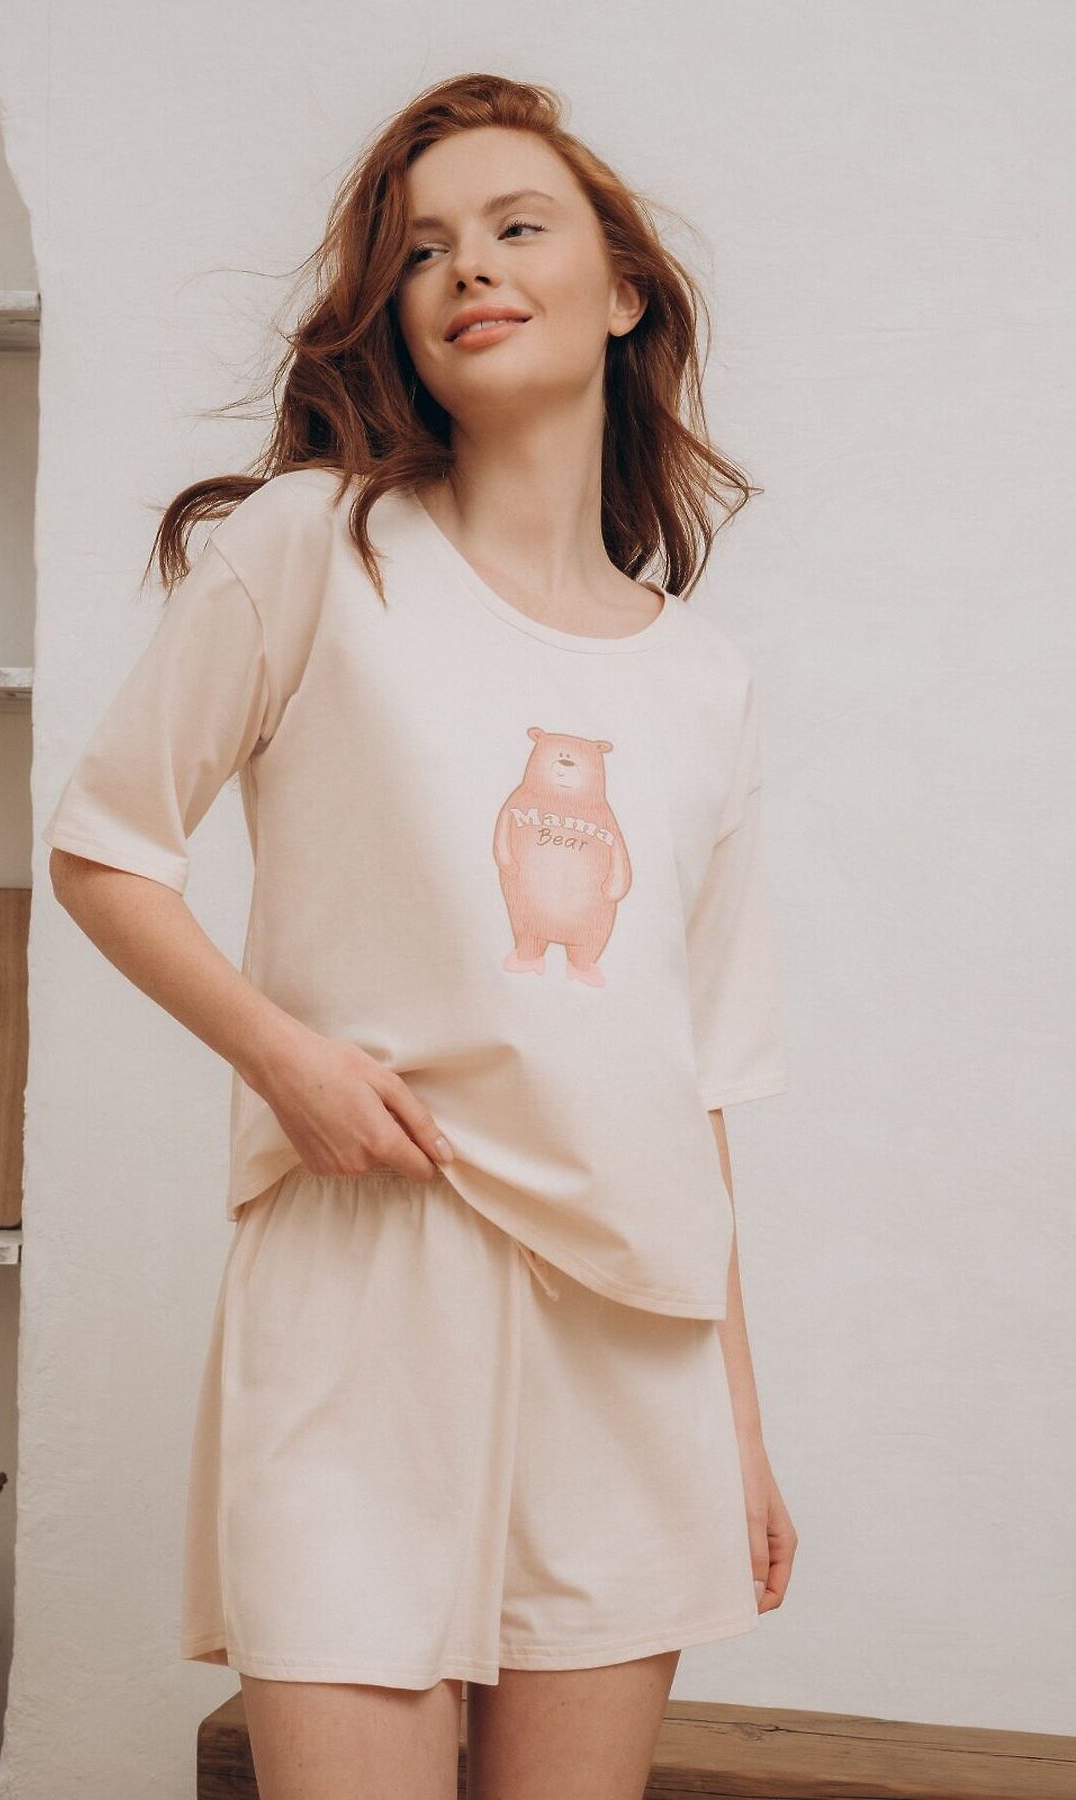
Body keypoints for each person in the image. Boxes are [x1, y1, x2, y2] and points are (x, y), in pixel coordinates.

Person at [44, 70, 798, 1800]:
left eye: (518, 226)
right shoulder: (316, 545)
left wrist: (738, 1429)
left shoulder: (703, 681)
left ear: (624, 290)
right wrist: (285, 1060)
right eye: (423, 249)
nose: (469, 266)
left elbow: (697, 1080)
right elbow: (104, 850)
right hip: (369, 1275)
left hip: (634, 1340)